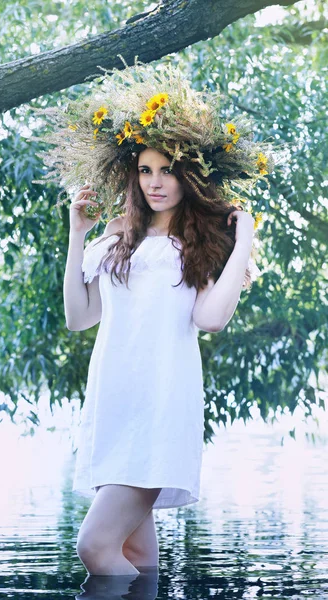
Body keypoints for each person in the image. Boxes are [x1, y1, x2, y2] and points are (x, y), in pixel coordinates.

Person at [34, 57, 281, 577]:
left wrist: (245, 241)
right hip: (113, 403)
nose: (155, 181)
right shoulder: (113, 245)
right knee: (138, 555)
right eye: (145, 170)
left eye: (166, 170)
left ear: (187, 176)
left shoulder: (194, 249)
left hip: (160, 407)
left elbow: (212, 319)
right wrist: (77, 234)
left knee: (94, 547)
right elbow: (79, 317)